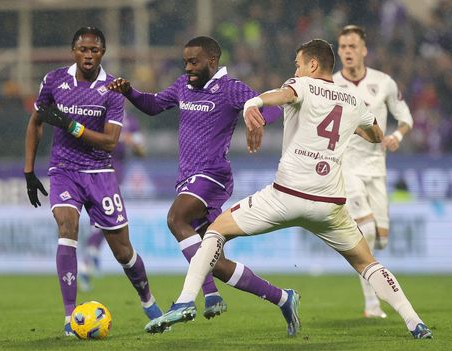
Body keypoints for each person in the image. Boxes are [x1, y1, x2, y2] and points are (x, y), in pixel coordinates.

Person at [144, 39, 432, 340]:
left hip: (286, 196)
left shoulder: (302, 84)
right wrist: (356, 129)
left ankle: (186, 300)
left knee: (215, 231)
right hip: (329, 205)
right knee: (367, 263)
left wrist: (254, 104)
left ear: (312, 65)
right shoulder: (352, 101)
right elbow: (375, 134)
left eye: (298, 63)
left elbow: (281, 95)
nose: (295, 68)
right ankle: (415, 322)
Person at [107, 36, 283, 320]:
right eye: (185, 61)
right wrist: (130, 91)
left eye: (194, 61)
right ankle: (283, 298)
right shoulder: (182, 86)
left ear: (212, 61)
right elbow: (152, 105)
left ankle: (193, 299)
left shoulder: (230, 89)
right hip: (188, 178)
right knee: (215, 262)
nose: (187, 67)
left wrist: (255, 114)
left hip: (212, 175)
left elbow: (272, 109)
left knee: (176, 219)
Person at [23, 27, 162, 337]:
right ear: (74, 51)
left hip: (100, 174)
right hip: (64, 170)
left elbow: (111, 142)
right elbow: (36, 122)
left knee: (123, 251)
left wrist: (71, 126)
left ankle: (148, 301)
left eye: (94, 50)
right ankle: (70, 317)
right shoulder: (54, 80)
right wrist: (29, 170)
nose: (88, 55)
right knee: (67, 227)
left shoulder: (112, 89)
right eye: (83, 49)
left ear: (103, 53)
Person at [333, 25, 414, 319]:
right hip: (347, 166)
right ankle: (371, 305)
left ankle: (373, 290)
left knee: (381, 237)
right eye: (343, 47)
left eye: (353, 46)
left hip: (376, 168)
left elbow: (405, 118)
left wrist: (397, 136)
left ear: (364, 50)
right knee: (364, 230)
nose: (348, 52)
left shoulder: (384, 83)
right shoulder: (330, 85)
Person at [79, 112, 146, 292]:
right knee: (108, 219)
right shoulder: (99, 113)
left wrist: (132, 142)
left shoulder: (131, 121)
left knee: (107, 220)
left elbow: (141, 152)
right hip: (97, 170)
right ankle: (89, 260)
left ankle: (90, 259)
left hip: (117, 174)